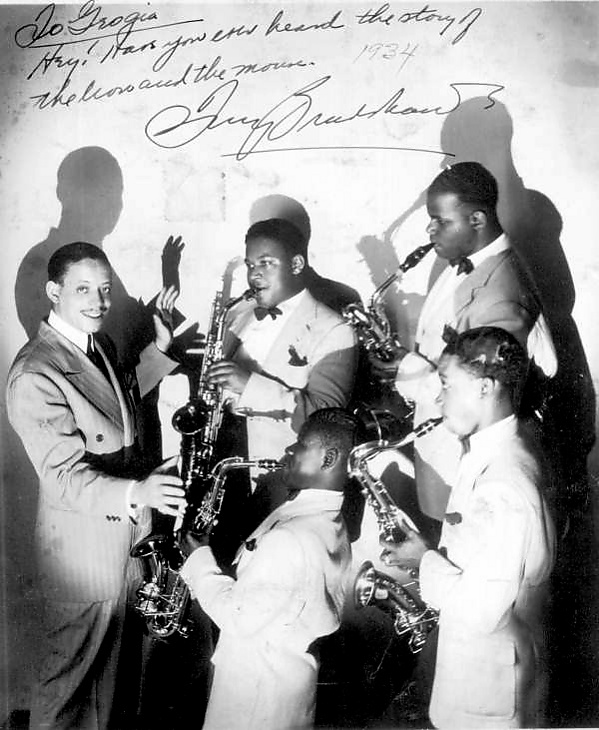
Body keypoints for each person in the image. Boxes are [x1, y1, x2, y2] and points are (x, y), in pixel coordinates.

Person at [6, 242, 187, 730]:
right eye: (83, 289)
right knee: (67, 686)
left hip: (122, 542)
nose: (99, 301)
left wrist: (160, 349)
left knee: (111, 684)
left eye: (104, 289)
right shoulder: (35, 372)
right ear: (54, 292)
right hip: (81, 554)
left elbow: (116, 399)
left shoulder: (94, 343)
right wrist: (137, 493)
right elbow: (62, 475)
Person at [380, 326, 556, 728]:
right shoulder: (498, 447)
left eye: (446, 384)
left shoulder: (502, 485)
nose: (438, 398)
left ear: (485, 388)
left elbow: (480, 612)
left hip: (489, 694)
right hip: (485, 674)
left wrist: (424, 559)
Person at [373, 161, 556, 530]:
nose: (430, 230)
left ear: (477, 219)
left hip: (463, 463)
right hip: (441, 445)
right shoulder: (464, 262)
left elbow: (485, 395)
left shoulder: (501, 296)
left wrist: (407, 368)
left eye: (440, 221)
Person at [179, 407, 359, 730]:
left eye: (300, 444)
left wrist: (198, 559)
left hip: (254, 697)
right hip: (285, 689)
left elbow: (237, 617)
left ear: (329, 458)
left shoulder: (290, 538)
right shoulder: (329, 520)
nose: (288, 449)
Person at [206, 217, 358, 562]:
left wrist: (248, 385)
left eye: (266, 263)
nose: (254, 275)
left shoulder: (334, 329)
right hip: (221, 461)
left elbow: (325, 420)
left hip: (274, 477)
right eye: (250, 265)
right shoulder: (241, 314)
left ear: (297, 264)